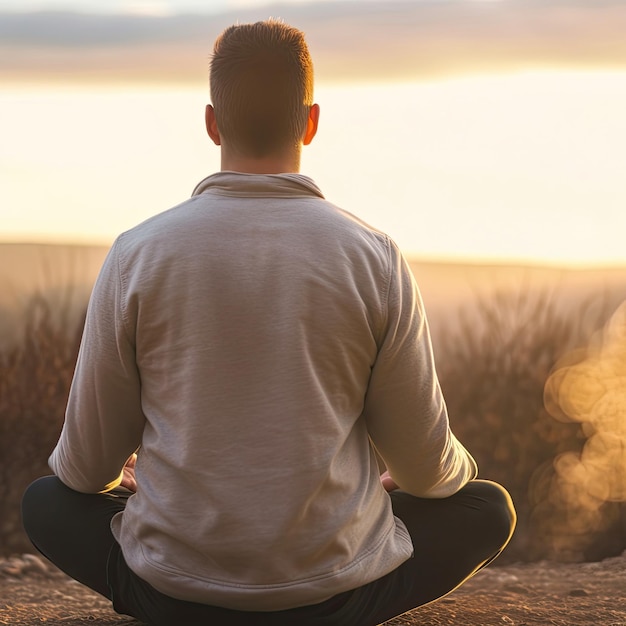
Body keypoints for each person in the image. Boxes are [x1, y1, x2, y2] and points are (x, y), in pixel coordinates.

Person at [22, 19, 516, 626]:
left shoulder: (138, 252)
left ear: (211, 123)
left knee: (45, 502)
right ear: (310, 121)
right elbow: (428, 473)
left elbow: (81, 470)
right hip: (333, 597)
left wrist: (139, 485)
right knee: (486, 510)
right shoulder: (372, 255)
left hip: (175, 594)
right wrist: (404, 482)